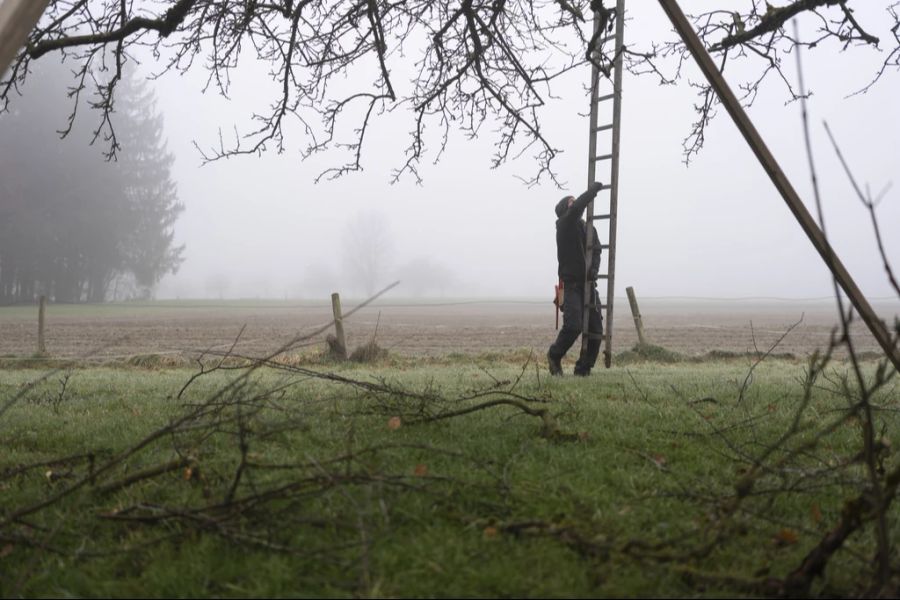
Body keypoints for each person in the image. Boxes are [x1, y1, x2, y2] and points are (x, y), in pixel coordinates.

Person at [548, 181, 604, 376]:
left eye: (575, 201)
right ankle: (554, 355)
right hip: (571, 285)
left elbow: (596, 250)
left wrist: (594, 270)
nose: (575, 204)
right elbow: (578, 207)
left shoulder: (588, 229)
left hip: (589, 285)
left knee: (596, 330)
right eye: (570, 203)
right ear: (564, 210)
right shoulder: (563, 225)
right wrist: (592, 191)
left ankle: (583, 369)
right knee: (573, 326)